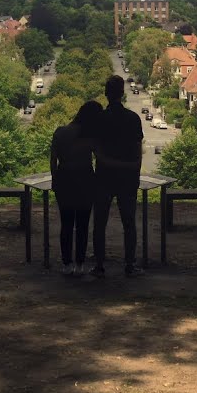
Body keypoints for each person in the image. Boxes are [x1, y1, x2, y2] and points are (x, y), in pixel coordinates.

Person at [92, 75, 145, 277]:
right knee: (129, 222)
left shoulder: (100, 119)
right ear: (122, 94)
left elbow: (96, 151)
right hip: (127, 177)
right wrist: (133, 170)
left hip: (104, 177)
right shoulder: (133, 119)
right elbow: (137, 150)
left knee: (100, 222)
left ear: (106, 94)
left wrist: (108, 163)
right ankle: (129, 264)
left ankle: (99, 264)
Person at [50, 100, 101, 275]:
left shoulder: (60, 132)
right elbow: (99, 157)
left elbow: (53, 160)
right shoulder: (89, 137)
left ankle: (67, 263)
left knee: (66, 223)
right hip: (85, 181)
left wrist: (55, 179)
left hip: (65, 179)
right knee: (82, 225)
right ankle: (80, 263)